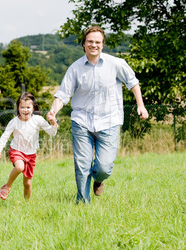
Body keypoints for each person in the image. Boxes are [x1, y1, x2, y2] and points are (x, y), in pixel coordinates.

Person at [47, 26, 149, 203]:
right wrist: (53, 111)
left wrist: (141, 105)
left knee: (103, 166)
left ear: (102, 45)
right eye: (90, 41)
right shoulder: (75, 68)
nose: (94, 45)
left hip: (109, 120)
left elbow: (133, 83)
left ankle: (99, 179)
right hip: (82, 121)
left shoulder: (116, 64)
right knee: (82, 165)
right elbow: (63, 93)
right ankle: (83, 204)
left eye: (97, 42)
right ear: (84, 44)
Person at [0, 92, 58, 201]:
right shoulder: (14, 122)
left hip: (31, 154)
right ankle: (7, 186)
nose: (25, 110)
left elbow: (52, 132)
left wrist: (53, 123)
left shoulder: (38, 119)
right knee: (19, 167)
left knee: (27, 183)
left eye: (28, 107)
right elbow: (4, 136)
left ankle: (26, 204)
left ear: (33, 108)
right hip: (16, 150)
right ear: (18, 108)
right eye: (22, 107)